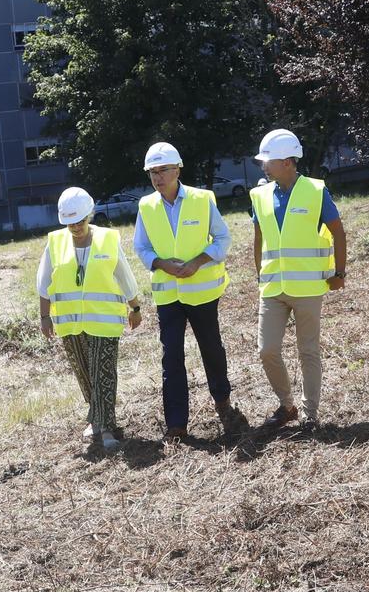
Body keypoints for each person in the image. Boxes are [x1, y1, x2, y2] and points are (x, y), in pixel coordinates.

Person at [132, 141, 240, 442]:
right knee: (172, 358)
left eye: (163, 170)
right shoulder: (146, 206)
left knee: (211, 348)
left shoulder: (202, 199)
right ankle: (176, 424)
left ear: (177, 169)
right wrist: (159, 262)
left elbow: (222, 238)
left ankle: (222, 400)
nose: (157, 177)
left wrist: (199, 261)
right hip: (168, 296)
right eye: (152, 172)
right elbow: (140, 247)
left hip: (202, 292)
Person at [248, 127, 346, 433]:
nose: (264, 164)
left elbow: (338, 232)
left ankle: (310, 413)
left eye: (270, 160)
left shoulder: (316, 191)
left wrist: (339, 272)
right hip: (273, 288)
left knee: (308, 351)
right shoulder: (259, 195)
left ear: (288, 161)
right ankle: (287, 405)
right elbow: (259, 236)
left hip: (307, 287)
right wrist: (259, 273)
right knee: (267, 350)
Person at [36, 186, 141, 452]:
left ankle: (106, 428)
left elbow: (124, 275)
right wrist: (44, 316)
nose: (76, 227)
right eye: (70, 223)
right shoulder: (55, 243)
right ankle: (96, 416)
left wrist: (135, 307)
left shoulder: (107, 239)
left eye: (80, 221)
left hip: (104, 321)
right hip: (70, 323)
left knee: (103, 372)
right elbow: (43, 282)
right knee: (85, 373)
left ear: (90, 215)